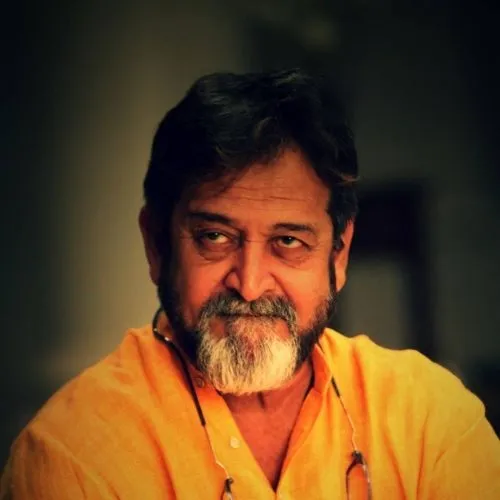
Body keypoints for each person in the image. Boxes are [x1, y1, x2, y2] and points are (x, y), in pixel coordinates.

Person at [1, 69, 499, 500]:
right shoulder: (73, 456)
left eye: (288, 241)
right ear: (157, 245)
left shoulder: (429, 420)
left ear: (339, 253)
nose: (251, 284)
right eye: (215, 237)